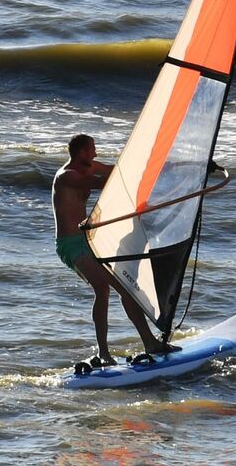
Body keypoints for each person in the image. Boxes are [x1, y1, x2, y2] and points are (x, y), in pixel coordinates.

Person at [53, 134, 177, 365]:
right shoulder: (67, 177)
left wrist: (157, 166)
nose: (96, 153)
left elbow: (116, 168)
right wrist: (130, 176)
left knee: (125, 287)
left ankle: (149, 342)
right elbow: (102, 183)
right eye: (92, 149)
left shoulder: (88, 168)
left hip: (88, 241)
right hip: (70, 244)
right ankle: (103, 353)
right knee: (102, 288)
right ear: (81, 152)